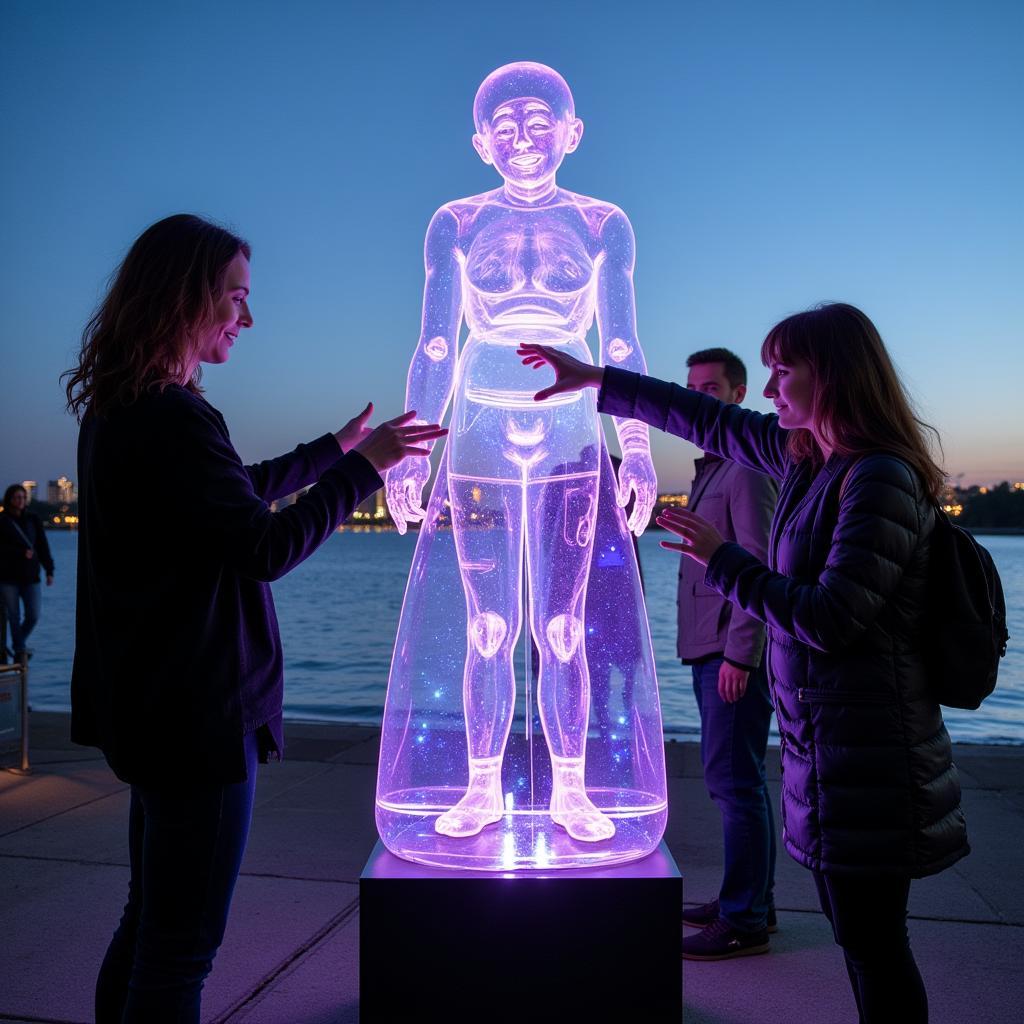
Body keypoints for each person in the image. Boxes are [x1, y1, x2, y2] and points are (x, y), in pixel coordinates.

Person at [519, 302, 968, 1022]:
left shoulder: (877, 478)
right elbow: (706, 420)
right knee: (865, 944)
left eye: (783, 372)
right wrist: (595, 380)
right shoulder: (808, 460)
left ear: (835, 377)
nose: (769, 390)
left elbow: (831, 617)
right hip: (830, 750)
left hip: (874, 756)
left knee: (876, 947)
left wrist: (720, 559)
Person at [63, 213, 445, 1024]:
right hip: (197, 716)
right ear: (187, 295)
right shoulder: (173, 416)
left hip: (152, 708)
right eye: (236, 294)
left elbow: (230, 490)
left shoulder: (124, 410)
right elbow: (263, 545)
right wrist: (366, 471)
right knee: (181, 946)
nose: (247, 314)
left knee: (149, 921)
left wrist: (337, 449)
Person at [377, 61, 665, 868]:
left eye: (540, 124)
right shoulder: (457, 223)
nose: (524, 141)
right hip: (480, 432)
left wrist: (636, 445)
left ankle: (570, 786)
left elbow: (619, 343)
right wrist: (411, 447)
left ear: (572, 134)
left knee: (565, 625)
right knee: (488, 623)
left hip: (572, 431)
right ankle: (478, 784)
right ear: (480, 143)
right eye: (505, 128)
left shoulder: (604, 222)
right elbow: (437, 343)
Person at [675, 349, 779, 960]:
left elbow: (757, 562)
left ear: (738, 395)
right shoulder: (712, 467)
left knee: (733, 782)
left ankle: (744, 919)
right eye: (691, 386)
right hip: (708, 647)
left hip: (730, 653)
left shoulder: (744, 466)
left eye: (710, 387)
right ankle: (746, 901)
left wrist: (743, 655)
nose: (699, 395)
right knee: (735, 780)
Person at [0, 483, 54, 663]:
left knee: (33, 615)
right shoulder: (3, 520)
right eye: (17, 497)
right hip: (8, 577)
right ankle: (20, 649)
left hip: (31, 576)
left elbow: (42, 545)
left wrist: (49, 569)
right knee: (13, 616)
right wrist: (19, 553)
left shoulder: (33, 519)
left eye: (23, 497)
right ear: (10, 499)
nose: (20, 500)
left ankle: (17, 645)